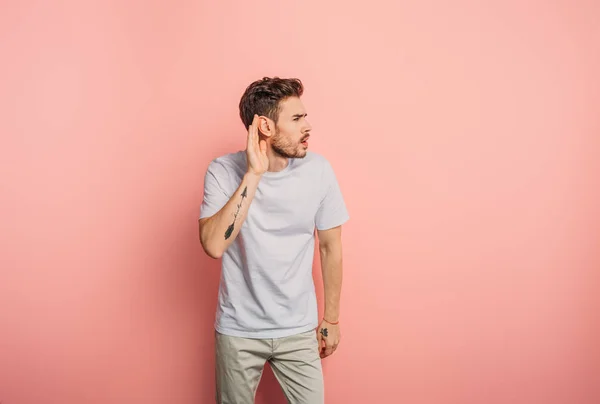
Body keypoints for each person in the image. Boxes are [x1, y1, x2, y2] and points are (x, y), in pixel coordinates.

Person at [198, 76, 349, 403]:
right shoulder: (223, 171)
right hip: (239, 331)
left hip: (298, 329)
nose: (308, 126)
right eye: (297, 119)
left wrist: (332, 319)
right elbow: (213, 245)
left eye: (304, 116)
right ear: (265, 126)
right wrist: (254, 174)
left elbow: (330, 246)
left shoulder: (319, 171)